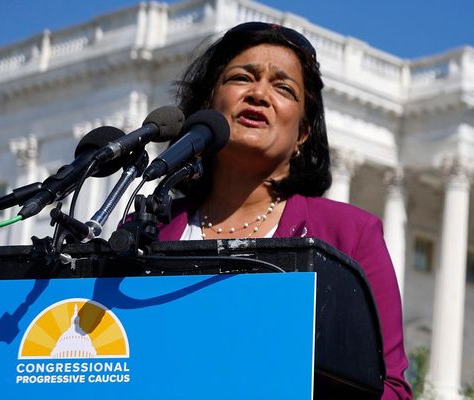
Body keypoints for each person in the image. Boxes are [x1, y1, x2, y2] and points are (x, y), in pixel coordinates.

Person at [153, 22, 410, 399]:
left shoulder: (350, 234)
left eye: (283, 88)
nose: (259, 94)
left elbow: (391, 387)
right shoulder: (151, 227)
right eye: (242, 78)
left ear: (302, 133)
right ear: (209, 105)